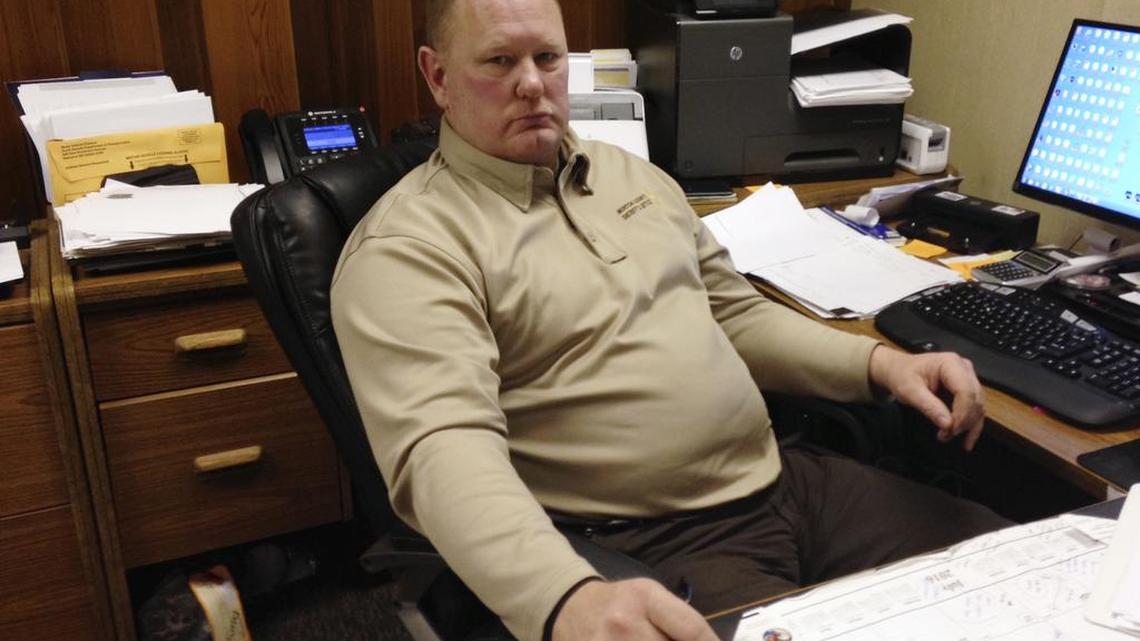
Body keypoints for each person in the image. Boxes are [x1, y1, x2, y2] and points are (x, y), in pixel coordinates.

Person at [330, 1, 1009, 640]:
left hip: (783, 480)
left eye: (549, 57)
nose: (533, 85)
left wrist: (881, 364)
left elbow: (736, 316)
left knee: (1022, 570)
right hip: (647, 541)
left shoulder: (631, 176)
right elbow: (443, 452)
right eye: (500, 62)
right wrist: (566, 596)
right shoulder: (409, 247)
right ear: (438, 76)